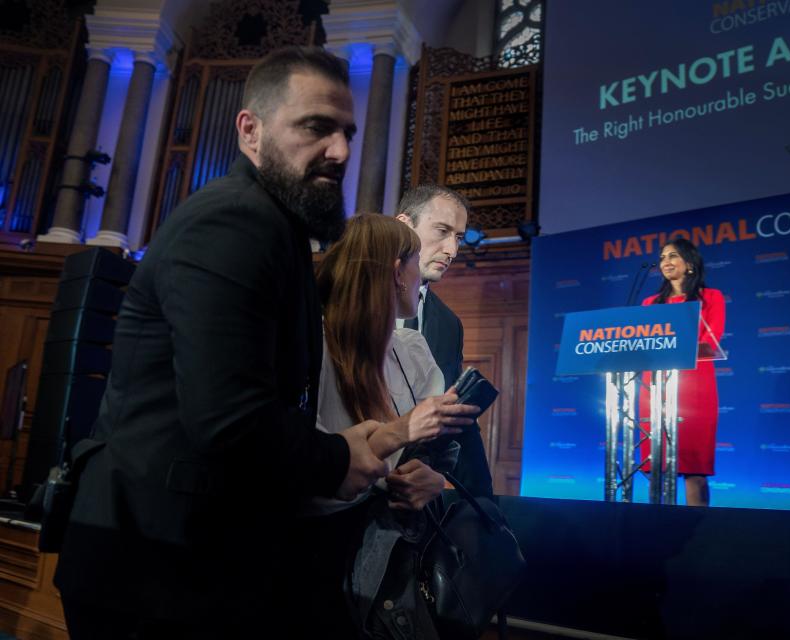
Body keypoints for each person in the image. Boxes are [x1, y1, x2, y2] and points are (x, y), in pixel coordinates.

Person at [53, 47, 395, 639]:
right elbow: (228, 418)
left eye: (346, 133)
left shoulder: (276, 224)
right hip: (150, 571)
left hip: (185, 564)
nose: (339, 152)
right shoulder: (234, 220)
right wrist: (337, 457)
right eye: (315, 127)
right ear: (250, 130)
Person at [302, 213, 479, 637]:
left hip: (400, 548)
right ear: (398, 272)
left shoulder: (413, 348)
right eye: (416, 259)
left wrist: (431, 477)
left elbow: (437, 448)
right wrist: (401, 433)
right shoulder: (313, 346)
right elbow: (313, 479)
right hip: (324, 554)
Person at [395, 185, 494, 497]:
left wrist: (485, 507)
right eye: (442, 230)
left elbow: (453, 419)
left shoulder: (450, 325)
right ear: (403, 225)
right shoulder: (335, 299)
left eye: (459, 237)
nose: (452, 249)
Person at [639, 237, 725, 507]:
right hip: (655, 389)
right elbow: (642, 344)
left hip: (695, 388)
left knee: (694, 471)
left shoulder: (710, 298)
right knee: (656, 469)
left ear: (689, 264)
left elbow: (711, 341)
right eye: (663, 257)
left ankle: (698, 533)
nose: (666, 262)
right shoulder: (650, 304)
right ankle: (659, 532)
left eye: (673, 256)